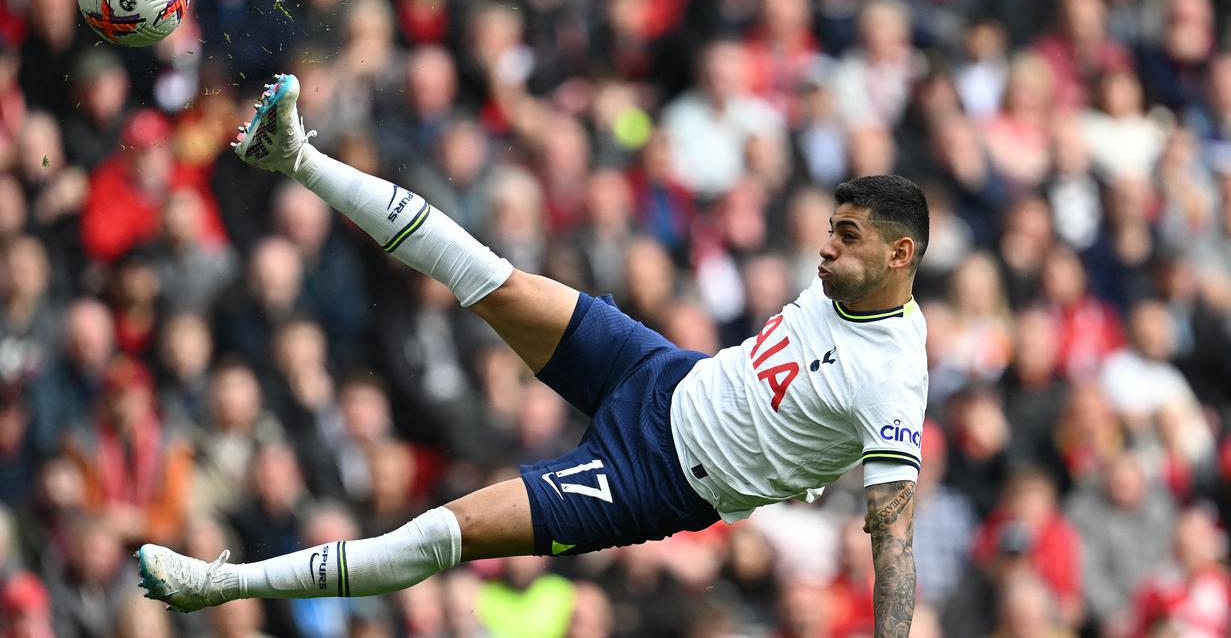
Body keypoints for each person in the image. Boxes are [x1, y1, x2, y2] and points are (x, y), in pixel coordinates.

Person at [136, 74, 930, 637]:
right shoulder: (842, 284)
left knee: (446, 530)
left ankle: (219, 585)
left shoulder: (892, 379)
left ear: (899, 255)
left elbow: (892, 542)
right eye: (831, 229)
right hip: (661, 373)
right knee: (491, 276)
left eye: (847, 237)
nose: (825, 248)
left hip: (653, 480)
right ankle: (293, 158)